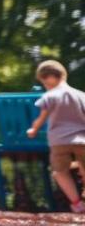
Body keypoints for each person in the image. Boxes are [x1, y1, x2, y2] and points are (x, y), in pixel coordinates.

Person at [27, 60, 85, 213]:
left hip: (59, 141)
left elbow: (42, 117)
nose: (45, 85)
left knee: (59, 172)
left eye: (44, 81)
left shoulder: (50, 96)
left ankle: (77, 203)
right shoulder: (81, 95)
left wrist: (33, 130)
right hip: (82, 139)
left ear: (50, 77)